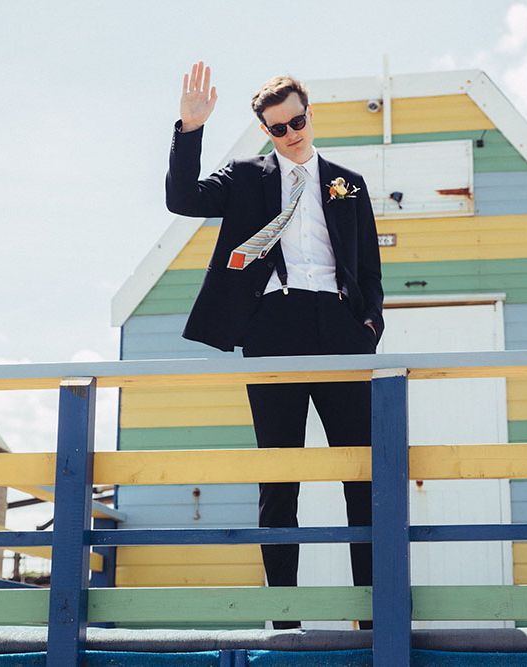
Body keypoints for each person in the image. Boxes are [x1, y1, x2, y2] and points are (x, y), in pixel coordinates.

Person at [165, 61, 384, 630]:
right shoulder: (245, 177)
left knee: (359, 472)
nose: (291, 135)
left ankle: (369, 613)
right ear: (265, 130)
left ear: (310, 115)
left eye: (297, 122)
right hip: (274, 326)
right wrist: (190, 128)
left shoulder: (347, 181)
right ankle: (284, 618)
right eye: (277, 128)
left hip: (338, 329)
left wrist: (367, 331)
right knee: (279, 476)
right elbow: (182, 197)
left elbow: (369, 269)